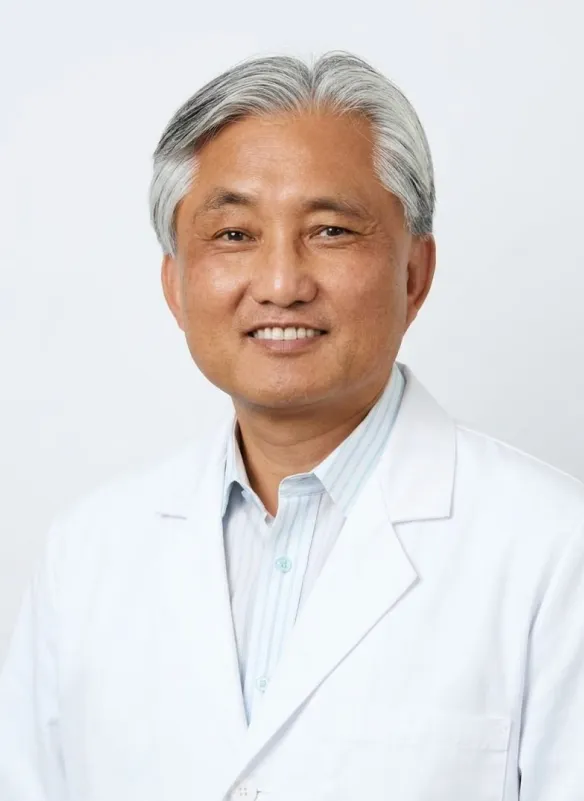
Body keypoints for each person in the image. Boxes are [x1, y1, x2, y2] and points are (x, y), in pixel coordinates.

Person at [1, 50, 583, 801]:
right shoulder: (86, 554)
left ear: (415, 273)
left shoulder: (553, 550)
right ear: (176, 283)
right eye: (235, 235)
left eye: (332, 230)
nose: (281, 284)